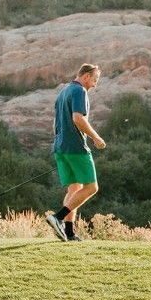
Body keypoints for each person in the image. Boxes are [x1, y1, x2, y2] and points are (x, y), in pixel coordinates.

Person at [45, 64, 106, 242]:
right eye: (95, 80)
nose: (94, 85)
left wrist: (61, 143)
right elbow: (78, 118)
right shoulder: (79, 91)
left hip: (60, 147)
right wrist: (96, 138)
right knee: (91, 187)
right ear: (86, 76)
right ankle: (58, 217)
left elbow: (54, 124)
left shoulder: (63, 92)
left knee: (75, 189)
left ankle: (69, 233)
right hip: (75, 148)